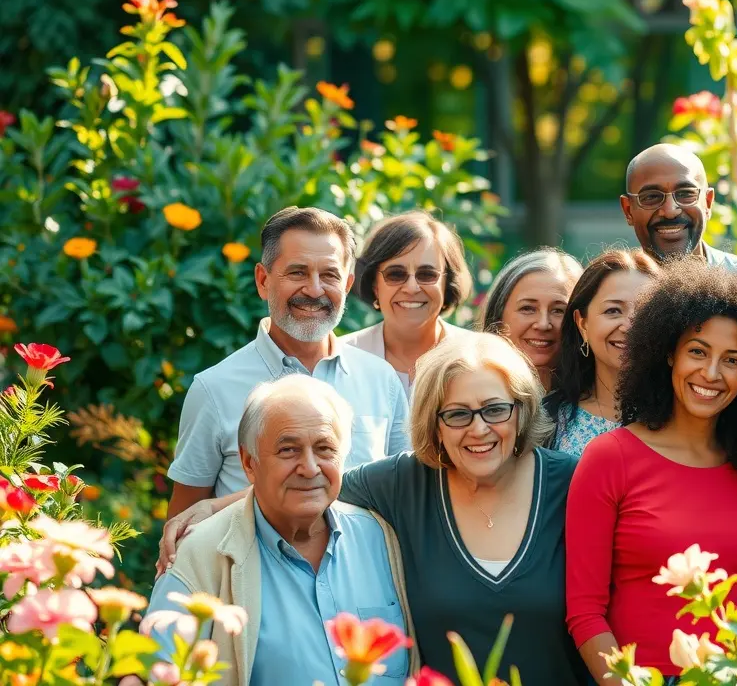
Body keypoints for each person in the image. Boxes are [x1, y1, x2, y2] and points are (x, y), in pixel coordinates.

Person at [157, 332, 588, 684]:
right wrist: (211, 507)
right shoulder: (404, 484)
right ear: (434, 424)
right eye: (457, 414)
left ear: (522, 409)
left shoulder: (572, 485)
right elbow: (311, 483)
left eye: (495, 409)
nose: (479, 429)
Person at [566, 259, 737, 684]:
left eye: (732, 360)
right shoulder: (610, 458)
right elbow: (585, 613)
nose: (711, 373)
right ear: (668, 351)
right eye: (697, 351)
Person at [145, 375, 417, 686]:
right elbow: (159, 672)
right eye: (289, 450)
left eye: (325, 448)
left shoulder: (381, 539)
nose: (310, 467)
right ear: (249, 462)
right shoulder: (198, 555)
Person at [166, 206, 410, 522]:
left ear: (347, 285)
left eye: (329, 275)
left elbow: (403, 494)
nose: (314, 289)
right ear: (263, 280)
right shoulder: (214, 389)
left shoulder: (381, 380)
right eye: (297, 272)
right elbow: (184, 525)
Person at [544, 248, 661, 455]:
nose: (629, 326)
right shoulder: (548, 419)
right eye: (613, 311)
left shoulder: (683, 417)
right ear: (582, 323)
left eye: (645, 312)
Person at [343, 211, 474, 391]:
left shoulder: (478, 357)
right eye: (395, 274)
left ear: (447, 284)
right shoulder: (342, 360)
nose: (411, 288)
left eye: (427, 274)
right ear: (375, 285)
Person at [620, 143, 737, 277]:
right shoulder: (612, 297)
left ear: (708, 203)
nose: (669, 211)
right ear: (628, 210)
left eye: (685, 194)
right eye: (652, 197)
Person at [479, 248, 583, 389]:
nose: (543, 324)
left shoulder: (601, 402)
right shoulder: (465, 393)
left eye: (558, 310)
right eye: (528, 308)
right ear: (498, 317)